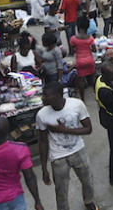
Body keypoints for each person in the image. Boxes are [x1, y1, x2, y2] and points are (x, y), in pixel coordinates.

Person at [36, 82, 98, 210]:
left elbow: (88, 129)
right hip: (58, 156)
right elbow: (42, 141)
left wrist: (65, 130)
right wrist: (44, 168)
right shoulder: (41, 115)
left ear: (58, 95)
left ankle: (89, 201)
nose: (42, 98)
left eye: (46, 96)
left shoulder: (76, 105)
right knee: (61, 189)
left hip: (78, 150)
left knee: (87, 180)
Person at [70, 22, 97, 102]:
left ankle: (83, 99)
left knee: (81, 81)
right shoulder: (90, 38)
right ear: (87, 27)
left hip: (80, 61)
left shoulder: (74, 39)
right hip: (89, 60)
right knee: (92, 80)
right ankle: (97, 95)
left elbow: (72, 50)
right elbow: (94, 50)